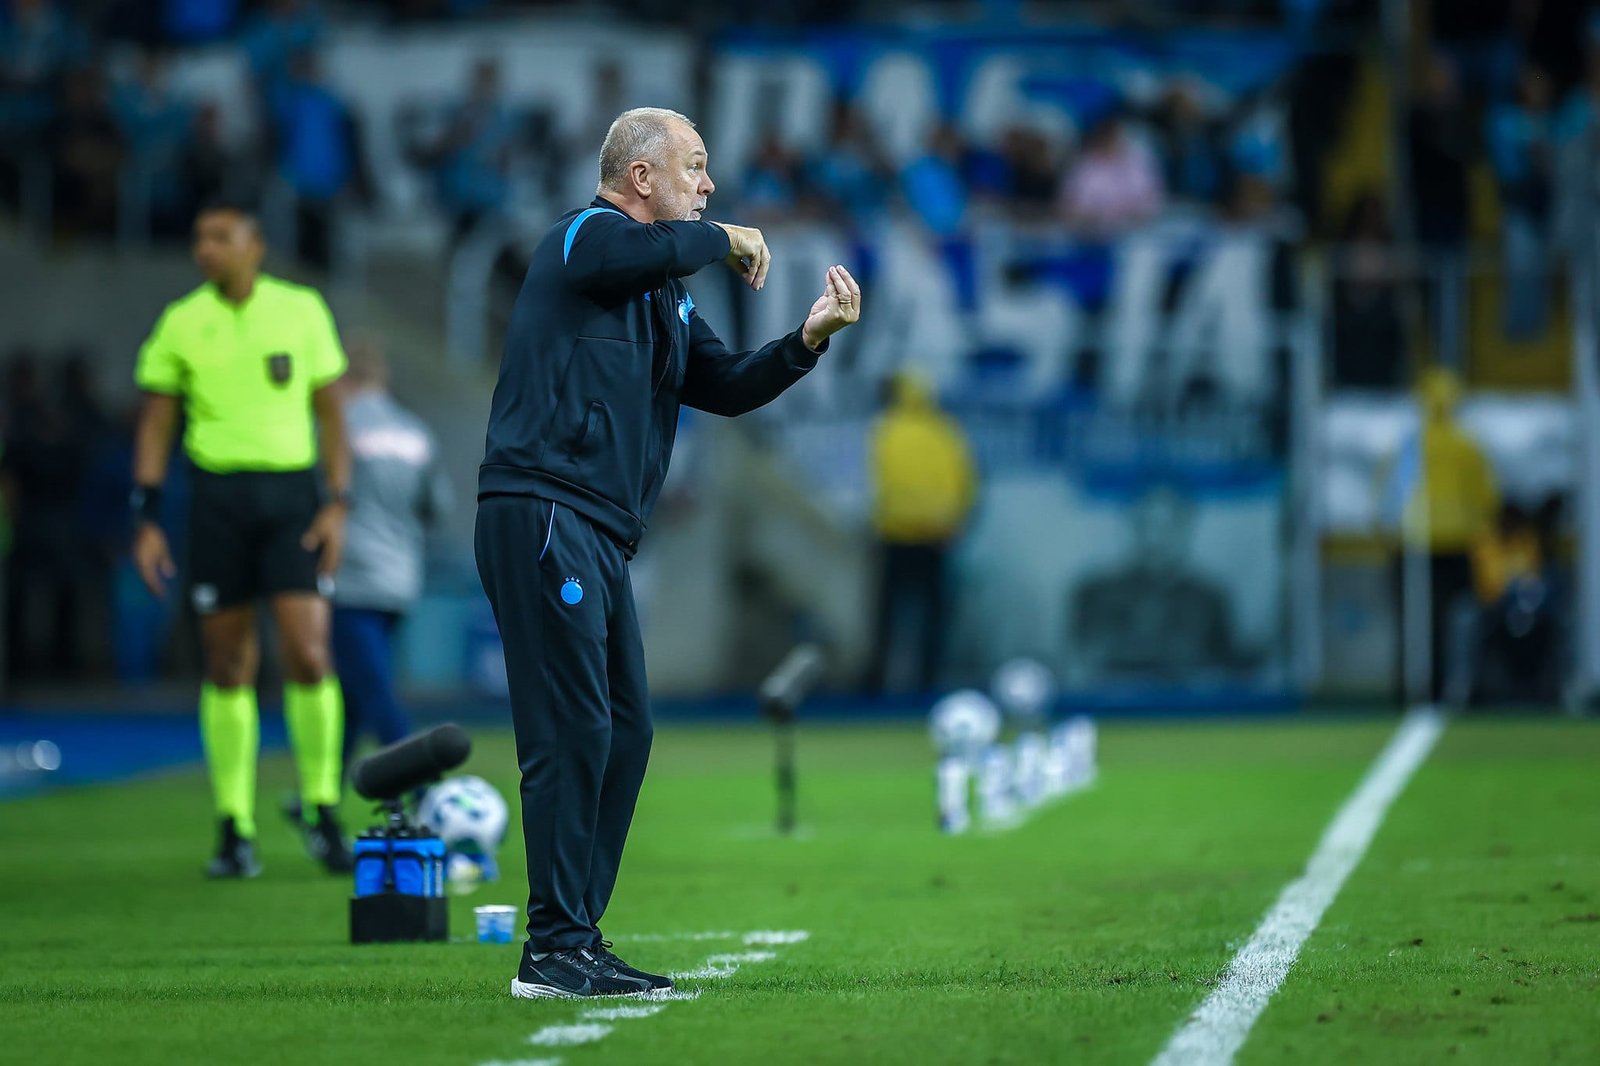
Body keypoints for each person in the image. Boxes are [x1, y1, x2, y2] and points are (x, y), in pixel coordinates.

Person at [475, 106, 861, 999]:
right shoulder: (585, 237)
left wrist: (806, 343)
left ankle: (574, 935)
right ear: (640, 177)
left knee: (625, 729)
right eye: (694, 165)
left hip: (597, 527)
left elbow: (720, 385)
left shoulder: (662, 289)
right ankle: (555, 944)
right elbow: (630, 254)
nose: (709, 183)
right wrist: (724, 238)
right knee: (572, 727)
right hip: (543, 505)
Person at [130, 200, 353, 879]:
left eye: (220, 236)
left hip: (292, 500)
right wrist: (146, 517)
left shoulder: (302, 309)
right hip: (216, 501)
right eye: (199, 237)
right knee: (228, 665)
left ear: (254, 245)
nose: (206, 248)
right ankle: (235, 825)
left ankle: (321, 807)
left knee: (310, 654)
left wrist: (337, 503)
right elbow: (156, 426)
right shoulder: (181, 320)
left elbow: (333, 417)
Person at [328, 337, 452, 776]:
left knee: (372, 689)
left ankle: (417, 784)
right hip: (400, 575)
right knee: (356, 689)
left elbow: (316, 495)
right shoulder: (415, 431)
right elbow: (438, 506)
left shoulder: (337, 427)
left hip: (350, 574)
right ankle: (321, 796)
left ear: (343, 378)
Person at [865, 372, 976, 693]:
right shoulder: (945, 432)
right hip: (937, 537)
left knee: (887, 615)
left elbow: (879, 483)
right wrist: (954, 521)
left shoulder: (886, 430)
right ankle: (928, 685)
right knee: (933, 616)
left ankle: (877, 685)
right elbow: (965, 481)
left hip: (896, 537)